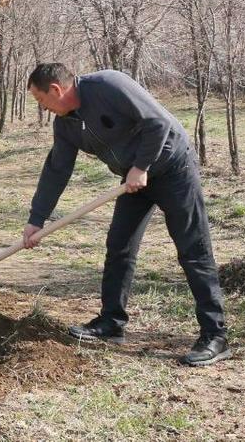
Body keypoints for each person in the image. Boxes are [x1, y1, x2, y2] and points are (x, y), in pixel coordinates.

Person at [22, 63, 230, 367]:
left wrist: (142, 166)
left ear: (56, 90)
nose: (43, 108)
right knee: (119, 245)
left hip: (173, 167)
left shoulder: (109, 85)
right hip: (133, 182)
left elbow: (157, 121)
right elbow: (57, 169)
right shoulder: (66, 124)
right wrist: (36, 219)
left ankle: (215, 335)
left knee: (192, 249)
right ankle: (111, 322)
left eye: (41, 101)